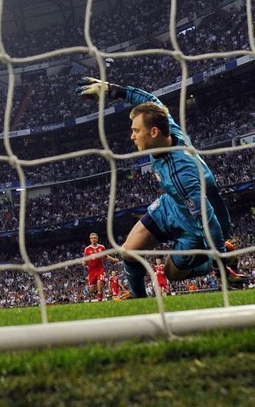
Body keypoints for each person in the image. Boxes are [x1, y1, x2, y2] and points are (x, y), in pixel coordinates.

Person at [77, 79, 247, 297]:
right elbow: (150, 101)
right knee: (128, 252)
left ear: (154, 132)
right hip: (174, 204)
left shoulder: (182, 173)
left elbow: (208, 219)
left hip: (198, 225)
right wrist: (113, 90)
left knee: (172, 273)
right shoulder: (167, 131)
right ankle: (141, 303)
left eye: (136, 131)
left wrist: (220, 263)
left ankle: (226, 257)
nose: (132, 136)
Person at [83, 233, 118, 302]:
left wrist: (114, 260)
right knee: (92, 290)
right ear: (90, 240)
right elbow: (85, 260)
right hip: (92, 271)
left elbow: (106, 256)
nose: (93, 239)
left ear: (97, 239)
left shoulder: (101, 247)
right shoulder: (87, 249)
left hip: (100, 269)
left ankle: (100, 300)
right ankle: (93, 289)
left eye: (95, 238)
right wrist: (84, 263)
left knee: (100, 283)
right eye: (92, 238)